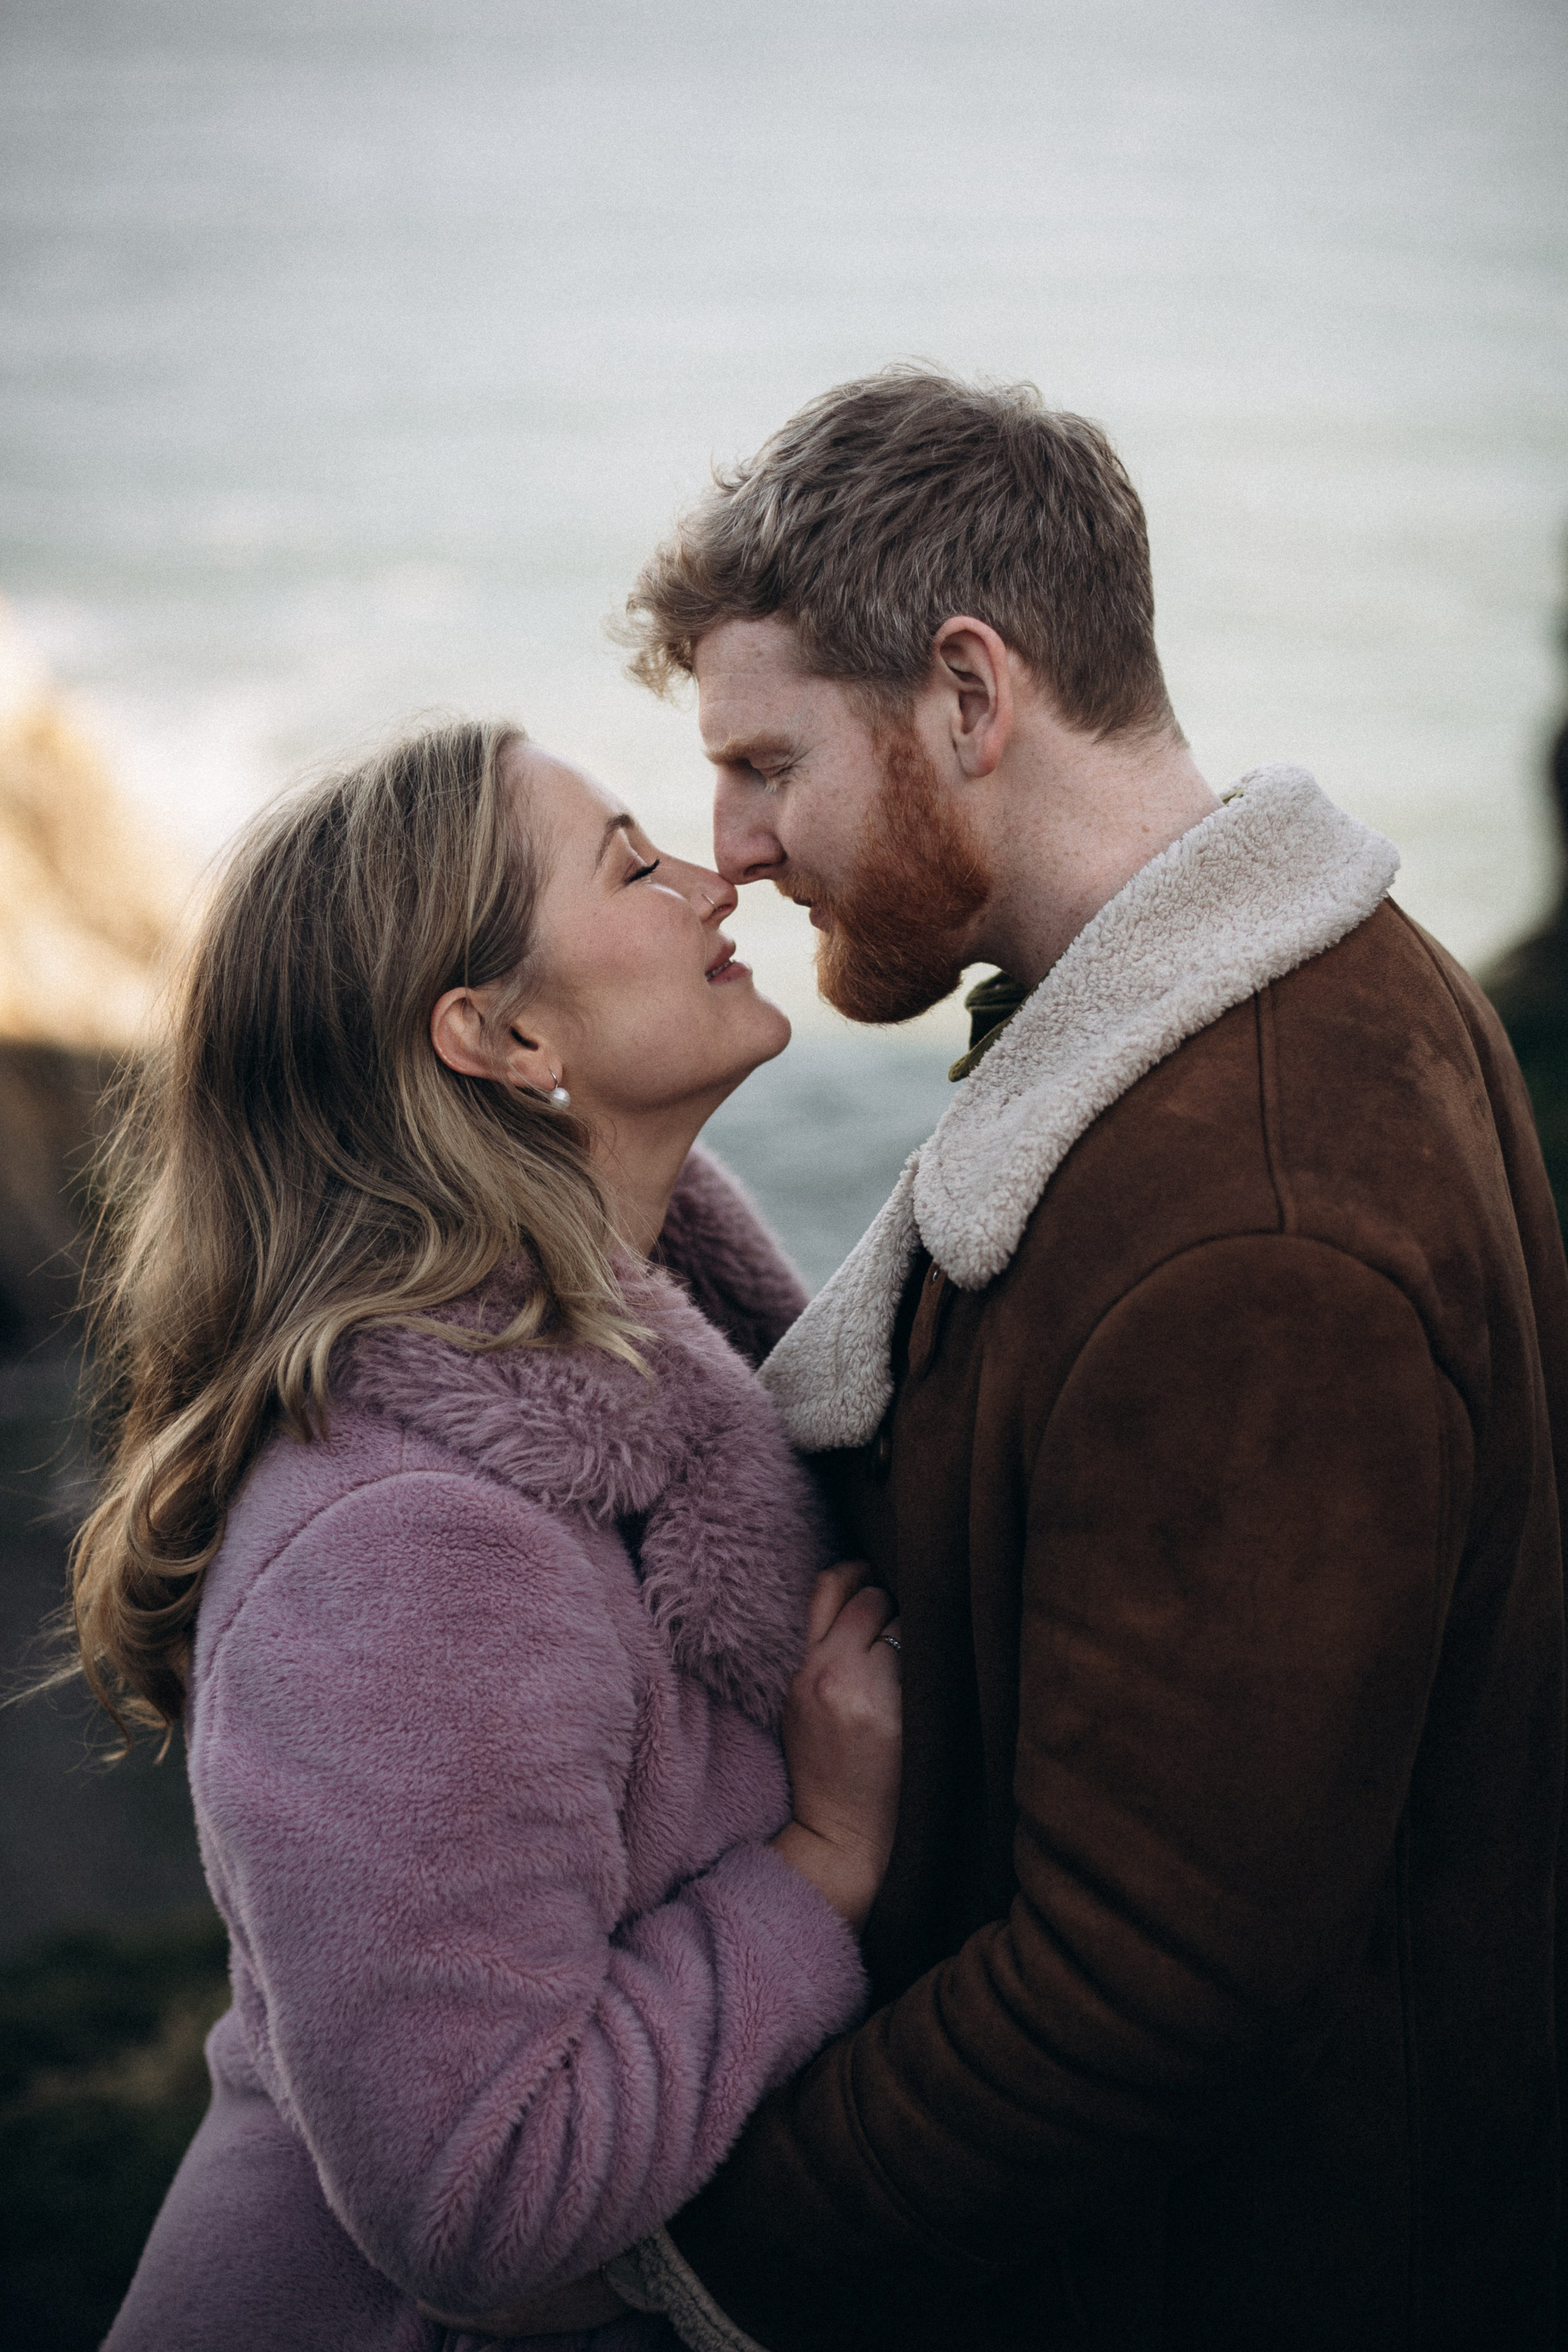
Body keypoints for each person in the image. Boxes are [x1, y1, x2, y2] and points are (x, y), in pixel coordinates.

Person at [595, 368, 1568, 2351]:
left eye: (769, 763)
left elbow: (1147, 1986)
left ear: (969, 692)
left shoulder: (1257, 1236)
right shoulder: (1303, 1000)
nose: (734, 848)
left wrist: (694, 2266)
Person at [77, 720, 903, 2351]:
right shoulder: (409, 1547)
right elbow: (480, 2189)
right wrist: (824, 1861)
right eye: (632, 864)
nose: (716, 875)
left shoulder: (671, 1376)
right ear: (502, 1034)